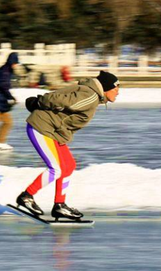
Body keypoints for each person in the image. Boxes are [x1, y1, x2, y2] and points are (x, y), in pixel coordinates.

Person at [15, 70, 120, 220]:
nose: (118, 92)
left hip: (53, 132)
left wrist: (40, 102)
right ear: (107, 87)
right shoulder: (90, 97)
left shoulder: (90, 95)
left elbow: (64, 100)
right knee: (56, 169)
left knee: (68, 165)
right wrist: (40, 102)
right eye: (116, 88)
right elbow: (63, 101)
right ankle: (27, 196)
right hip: (42, 128)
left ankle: (60, 205)